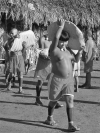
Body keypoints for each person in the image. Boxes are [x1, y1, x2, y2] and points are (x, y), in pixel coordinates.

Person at [44, 19, 84, 131]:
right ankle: (49, 118)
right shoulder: (54, 49)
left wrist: (80, 51)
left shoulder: (69, 50)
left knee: (70, 100)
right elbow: (56, 38)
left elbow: (75, 60)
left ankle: (70, 124)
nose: (64, 43)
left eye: (66, 41)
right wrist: (60, 27)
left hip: (69, 80)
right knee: (53, 101)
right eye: (62, 41)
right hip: (57, 80)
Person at [34, 33, 63, 108]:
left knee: (54, 83)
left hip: (52, 64)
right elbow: (40, 52)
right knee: (40, 82)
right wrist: (46, 57)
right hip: (43, 64)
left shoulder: (56, 39)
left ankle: (54, 101)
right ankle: (38, 99)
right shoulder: (43, 39)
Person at [5, 28, 25, 93]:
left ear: (16, 33)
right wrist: (14, 38)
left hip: (20, 57)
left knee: (20, 72)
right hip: (13, 57)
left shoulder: (20, 40)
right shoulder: (9, 40)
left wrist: (24, 47)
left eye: (12, 33)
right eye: (10, 33)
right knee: (12, 73)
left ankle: (20, 89)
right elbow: (9, 44)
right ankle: (9, 84)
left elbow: (23, 50)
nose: (11, 34)